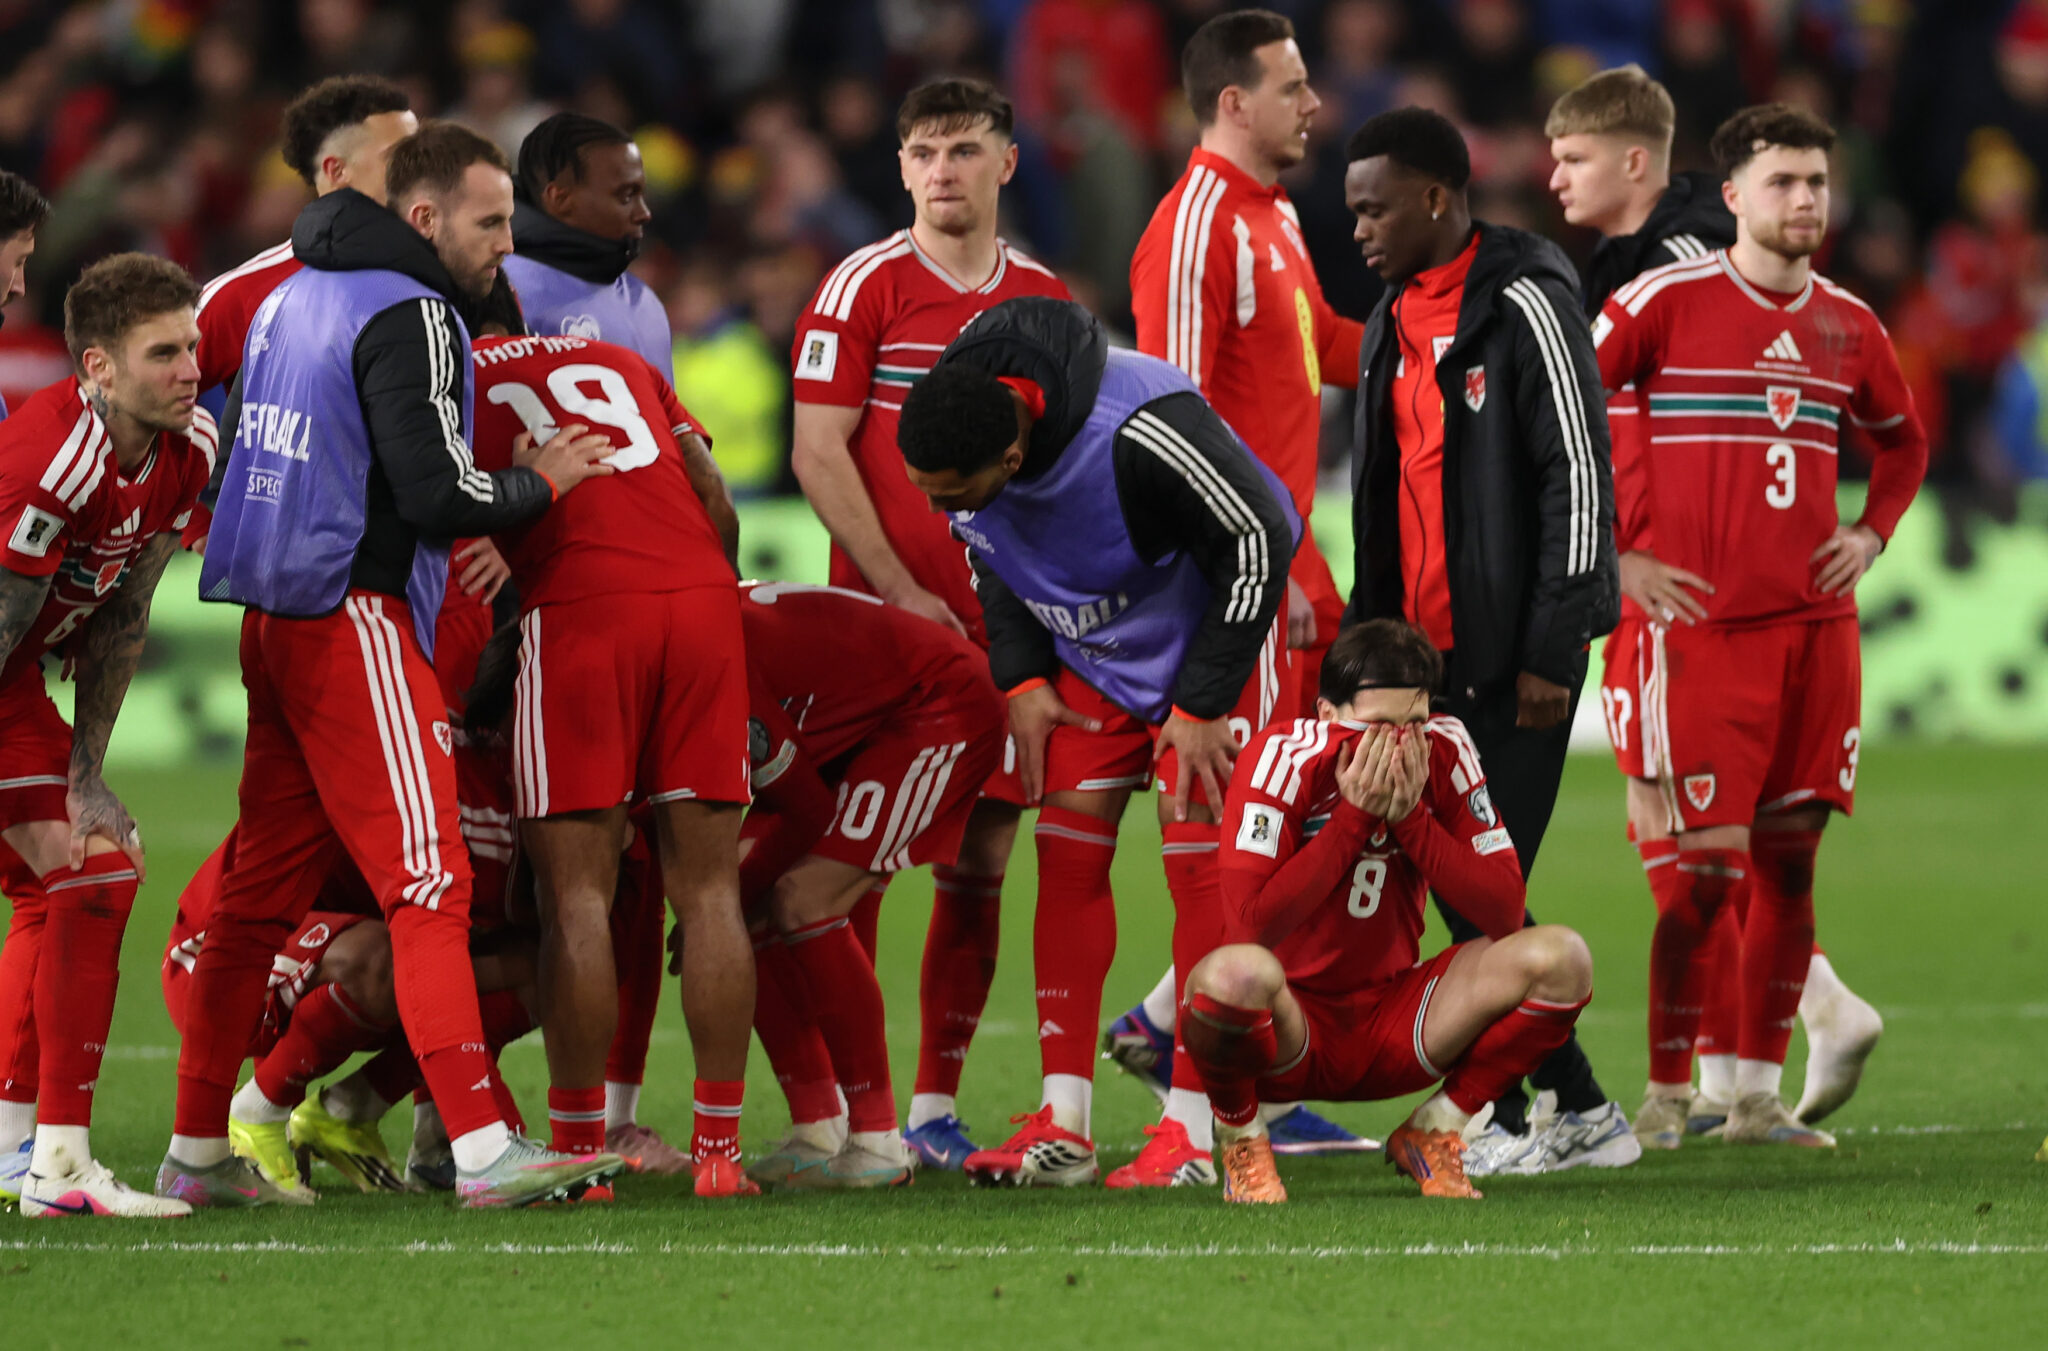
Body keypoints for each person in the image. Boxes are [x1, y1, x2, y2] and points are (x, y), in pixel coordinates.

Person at [160, 121, 620, 1210]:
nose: (509, 244)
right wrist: (540, 484)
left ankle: (199, 1150)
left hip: (272, 621)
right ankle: (479, 1150)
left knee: (255, 901)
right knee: (432, 881)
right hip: (353, 614)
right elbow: (435, 496)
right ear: (423, 219)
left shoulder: (289, 293)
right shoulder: (411, 310)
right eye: (490, 221)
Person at [1547, 66, 1882, 1138]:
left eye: (1573, 159)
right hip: (1681, 591)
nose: (1552, 178)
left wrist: (1617, 556)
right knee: (1703, 841)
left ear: (1636, 162)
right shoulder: (1639, 272)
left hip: (1693, 599)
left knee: (1691, 837)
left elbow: (1593, 420)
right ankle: (1746, 1057)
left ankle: (1720, 1070)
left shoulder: (1682, 269)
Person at [896, 296, 1297, 1189]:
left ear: (1011, 453)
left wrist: (1202, 700)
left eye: (949, 491)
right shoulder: (960, 423)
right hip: (1088, 654)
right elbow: (989, 547)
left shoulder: (1140, 424)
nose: (939, 509)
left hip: (1207, 646)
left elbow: (1264, 529)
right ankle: (1065, 1123)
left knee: (1201, 869)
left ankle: (1196, 1129)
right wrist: (1023, 676)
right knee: (1067, 852)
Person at [1342, 106, 1634, 1175]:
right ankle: (1572, 1112)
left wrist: (1556, 648)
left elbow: (1577, 471)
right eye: (1350, 212)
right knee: (1473, 891)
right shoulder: (1386, 323)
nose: (1358, 230)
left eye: (1373, 209)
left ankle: (1513, 1118)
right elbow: (1379, 504)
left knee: (1479, 891)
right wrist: (1367, 666)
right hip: (1420, 674)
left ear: (1433, 198)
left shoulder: (1522, 300)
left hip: (1514, 664)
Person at [788, 78, 1068, 1169]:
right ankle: (846, 1118)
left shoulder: (1042, 302)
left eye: (961, 149)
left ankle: (931, 1107)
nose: (940, 170)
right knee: (853, 865)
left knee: (981, 863)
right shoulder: (861, 286)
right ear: (900, 169)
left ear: (1004, 161)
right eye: (921, 152)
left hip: (1000, 638)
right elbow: (818, 451)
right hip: (877, 634)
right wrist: (899, 592)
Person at [1110, 8, 1369, 1157]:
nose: (1313, 103)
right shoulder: (1193, 227)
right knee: (1230, 836)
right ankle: (1203, 1098)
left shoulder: (1274, 218)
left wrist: (1449, 319)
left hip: (1282, 568)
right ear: (1232, 102)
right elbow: (1170, 416)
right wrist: (1268, 567)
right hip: (1235, 580)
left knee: (1274, 826)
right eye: (1293, 85)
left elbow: (1321, 346)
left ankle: (1229, 1064)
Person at [467, 321, 757, 1197]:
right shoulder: (621, 359)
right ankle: (718, 1157)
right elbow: (710, 486)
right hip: (702, 600)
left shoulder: (447, 373)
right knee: (709, 890)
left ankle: (580, 1152)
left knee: (576, 896)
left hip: (583, 606)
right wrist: (711, 590)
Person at [1186, 620, 1594, 1202]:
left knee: (1562, 957)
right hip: (1289, 1030)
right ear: (1327, 714)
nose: (1400, 743)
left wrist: (1410, 821)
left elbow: (1505, 911)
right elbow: (1250, 925)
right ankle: (1241, 1137)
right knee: (1232, 974)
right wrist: (1354, 820)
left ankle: (1436, 1129)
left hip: (1397, 1023)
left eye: (1413, 723)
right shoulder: (1281, 757)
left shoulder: (1445, 746)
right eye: (1378, 726)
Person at [0, 255, 213, 1218]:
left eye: (194, 346)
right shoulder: (58, 462)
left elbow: (127, 611)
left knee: (78, 874)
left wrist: (86, 773)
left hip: (16, 683)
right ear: (97, 367)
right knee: (89, 875)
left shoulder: (187, 450)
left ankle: (25, 1149)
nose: (189, 369)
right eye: (162, 353)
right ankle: (55, 1168)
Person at [731, 581, 1004, 1189]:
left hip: (939, 707)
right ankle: (818, 1127)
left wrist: (738, 894)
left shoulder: (711, 651)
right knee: (738, 911)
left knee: (803, 900)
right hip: (858, 721)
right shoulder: (695, 619)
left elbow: (801, 803)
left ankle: (879, 1141)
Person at [503, 112, 670, 374]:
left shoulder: (644, 300)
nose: (644, 213)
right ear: (560, 199)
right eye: (626, 196)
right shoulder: (500, 290)